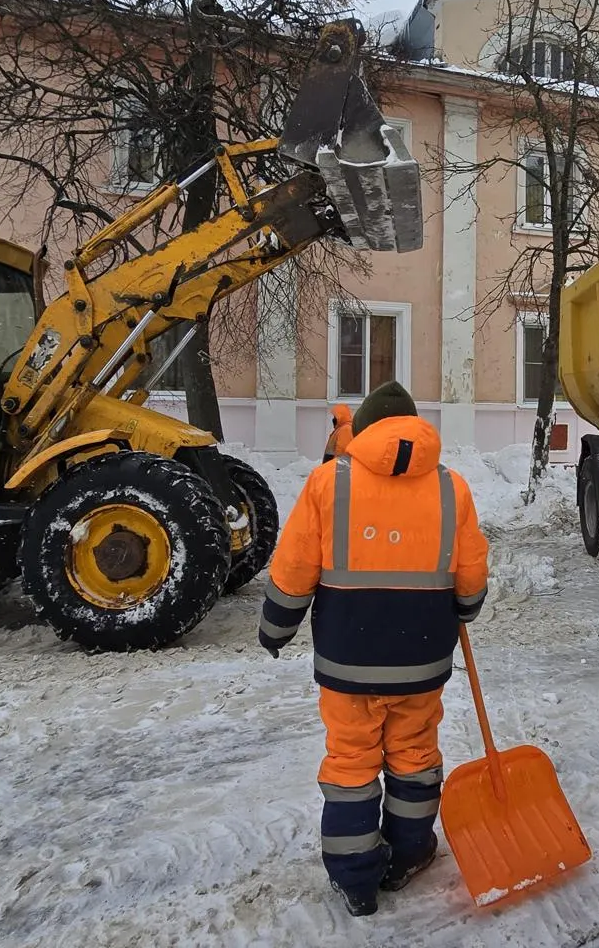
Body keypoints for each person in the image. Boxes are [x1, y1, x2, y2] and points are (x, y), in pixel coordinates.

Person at [261, 380, 490, 916]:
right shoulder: (450, 487)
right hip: (422, 662)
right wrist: (464, 609)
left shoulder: (326, 483)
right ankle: (409, 855)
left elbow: (294, 568)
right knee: (413, 757)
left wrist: (276, 626)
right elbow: (472, 575)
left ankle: (356, 879)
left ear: (360, 432)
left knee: (351, 763)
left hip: (348, 663)